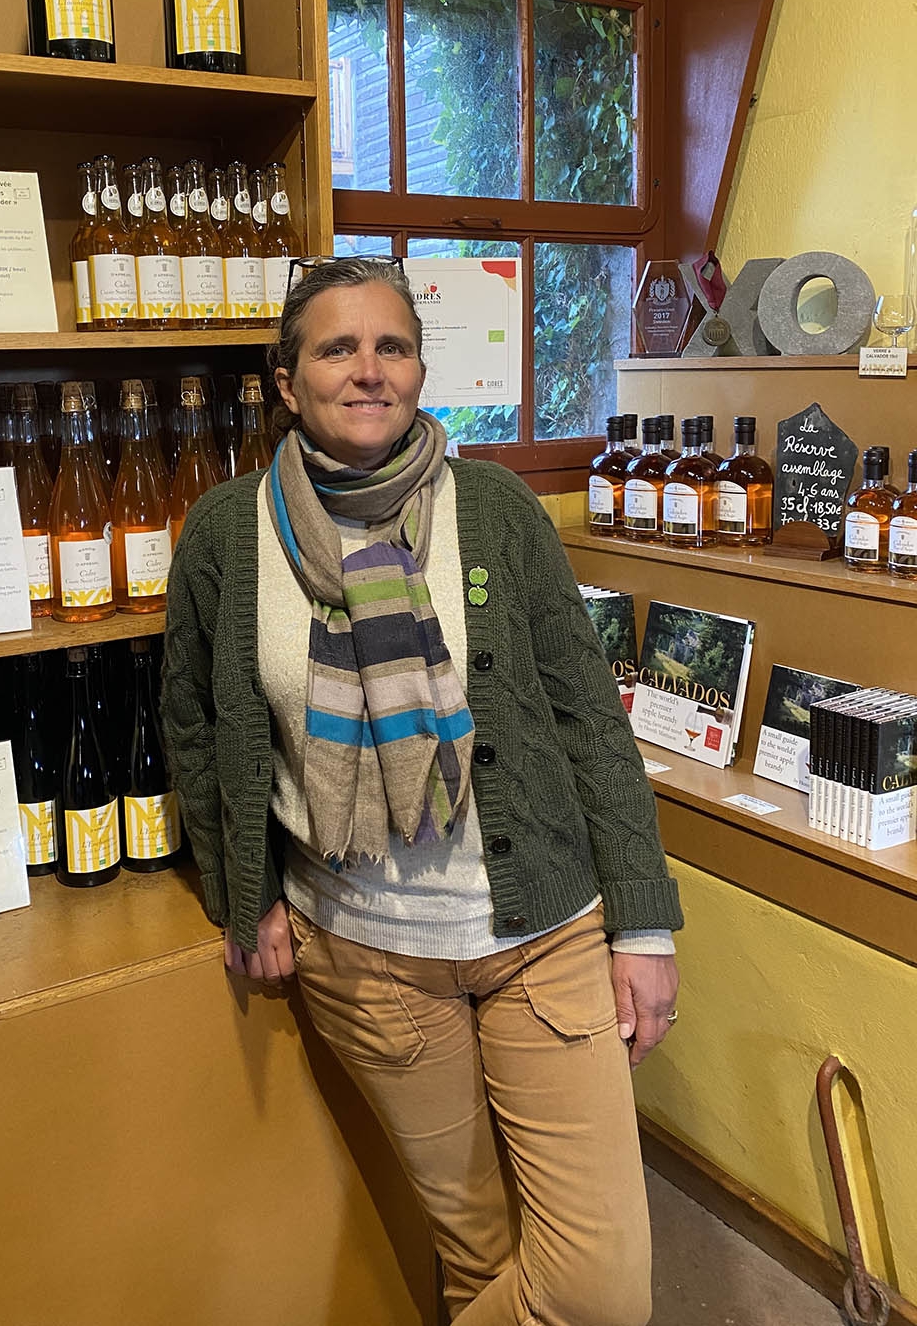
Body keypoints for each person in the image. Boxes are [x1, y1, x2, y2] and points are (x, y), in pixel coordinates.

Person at [162, 256, 683, 1326]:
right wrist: (242, 891)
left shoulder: (493, 508)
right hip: (367, 959)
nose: (369, 370)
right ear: (286, 380)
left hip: (543, 938)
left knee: (597, 1291)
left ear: (419, 369)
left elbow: (588, 717)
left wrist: (644, 925)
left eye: (392, 346)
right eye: (337, 348)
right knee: (478, 1251)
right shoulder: (225, 533)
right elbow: (199, 729)